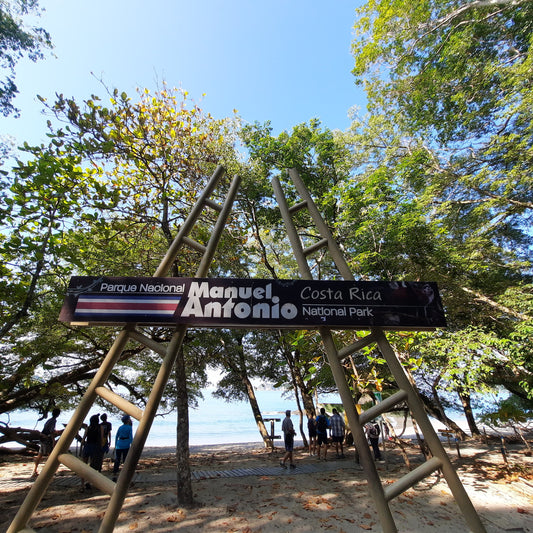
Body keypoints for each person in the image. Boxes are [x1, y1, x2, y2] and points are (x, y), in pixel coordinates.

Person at [32, 408, 62, 477]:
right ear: (58, 414)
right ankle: (51, 471)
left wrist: (56, 432)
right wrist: (53, 441)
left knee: (40, 454)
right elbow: (51, 432)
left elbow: (49, 430)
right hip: (46, 439)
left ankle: (35, 470)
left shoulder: (49, 420)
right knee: (50, 455)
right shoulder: (53, 421)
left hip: (42, 438)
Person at [80, 414, 102, 489]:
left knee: (84, 466)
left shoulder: (88, 428)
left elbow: (83, 440)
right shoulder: (100, 428)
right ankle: (89, 481)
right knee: (92, 467)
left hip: (87, 446)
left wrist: (81, 448)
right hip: (95, 447)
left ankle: (82, 484)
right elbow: (101, 439)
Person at [113, 415, 133, 480]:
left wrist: (115, 445)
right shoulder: (129, 427)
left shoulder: (120, 427)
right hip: (126, 444)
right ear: (127, 420)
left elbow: (116, 436)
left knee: (117, 459)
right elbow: (131, 437)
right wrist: (132, 444)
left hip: (119, 444)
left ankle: (115, 472)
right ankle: (125, 473)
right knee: (125, 459)